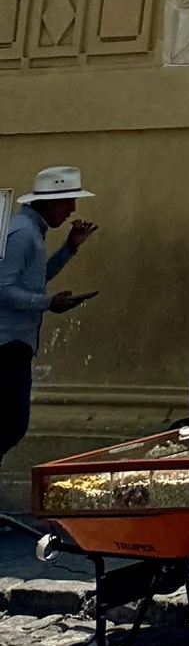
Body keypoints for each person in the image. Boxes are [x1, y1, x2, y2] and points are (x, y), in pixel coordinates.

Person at [1, 166, 98, 479]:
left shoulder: (30, 232)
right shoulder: (23, 234)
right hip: (7, 344)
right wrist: (47, 302)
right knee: (12, 424)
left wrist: (70, 248)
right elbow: (4, 289)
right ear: (50, 203)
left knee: (10, 424)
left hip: (17, 342)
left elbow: (33, 280)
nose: (72, 210)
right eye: (68, 201)